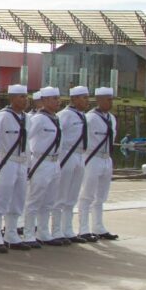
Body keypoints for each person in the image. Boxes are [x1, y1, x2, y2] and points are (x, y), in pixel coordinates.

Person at [0, 84, 30, 252]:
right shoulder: (3, 117)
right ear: (12, 98)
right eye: (21, 97)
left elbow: (28, 143)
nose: (25, 100)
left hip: (21, 162)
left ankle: (11, 233)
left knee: (18, 199)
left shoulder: (26, 117)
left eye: (26, 97)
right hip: (7, 161)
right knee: (1, 199)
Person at [22, 87, 63, 248]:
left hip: (54, 163)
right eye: (54, 98)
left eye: (58, 98)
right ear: (44, 101)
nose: (57, 101)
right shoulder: (38, 119)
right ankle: (28, 233)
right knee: (34, 200)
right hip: (41, 161)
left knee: (49, 201)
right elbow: (26, 140)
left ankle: (43, 232)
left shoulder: (56, 118)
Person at [78, 87, 118, 242]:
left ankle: (99, 227)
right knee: (87, 195)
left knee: (101, 196)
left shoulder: (111, 118)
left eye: (111, 99)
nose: (111, 102)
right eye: (108, 99)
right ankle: (83, 229)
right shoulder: (89, 118)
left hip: (107, 158)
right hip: (92, 157)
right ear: (99, 100)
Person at [53, 86, 90, 244]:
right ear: (74, 99)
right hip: (67, 155)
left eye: (88, 97)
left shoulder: (83, 116)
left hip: (80, 156)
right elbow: (57, 138)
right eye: (83, 97)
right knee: (61, 196)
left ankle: (68, 229)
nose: (87, 101)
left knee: (72, 196)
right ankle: (55, 230)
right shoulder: (64, 115)